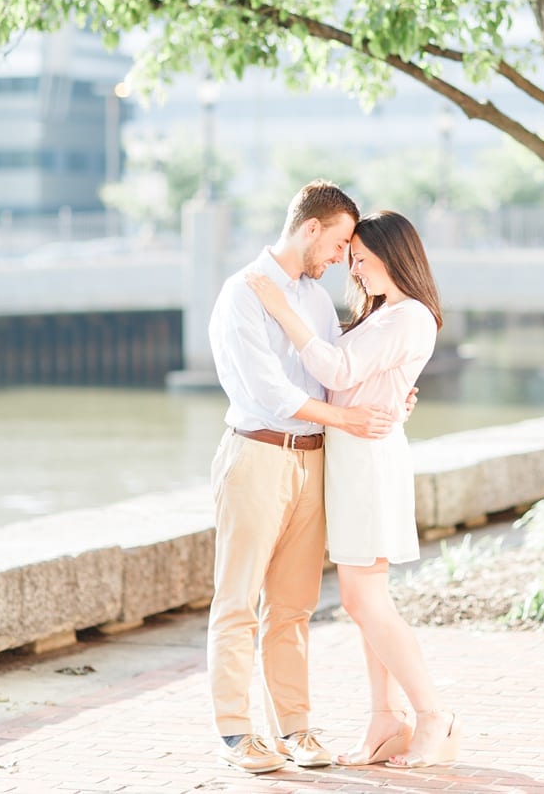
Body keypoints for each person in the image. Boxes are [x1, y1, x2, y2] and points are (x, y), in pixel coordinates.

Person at [246, 209, 460, 770]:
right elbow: (357, 381)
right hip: (351, 460)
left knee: (366, 602)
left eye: (361, 256)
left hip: (368, 464)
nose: (354, 267)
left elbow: (338, 371)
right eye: (353, 256)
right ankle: (385, 719)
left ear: (395, 254)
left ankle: (432, 714)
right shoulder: (383, 314)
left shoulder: (410, 315)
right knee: (368, 603)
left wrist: (282, 310)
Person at [206, 180, 397, 774]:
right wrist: (349, 418)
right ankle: (237, 732)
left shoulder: (314, 300)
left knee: (293, 605)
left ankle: (294, 727)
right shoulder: (242, 293)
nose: (343, 257)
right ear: (311, 228)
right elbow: (271, 392)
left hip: (313, 458)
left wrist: (390, 397)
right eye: (340, 242)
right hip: (258, 454)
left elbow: (332, 370)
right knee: (238, 599)